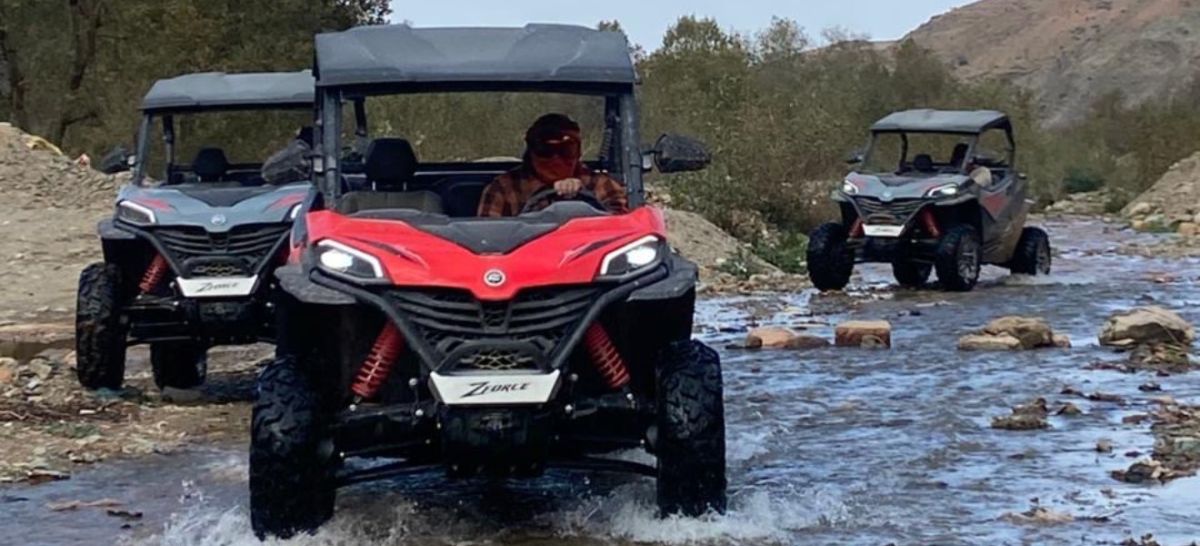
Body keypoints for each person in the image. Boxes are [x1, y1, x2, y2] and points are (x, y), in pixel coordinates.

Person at [477, 114, 628, 217]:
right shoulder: (503, 188)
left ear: (579, 152)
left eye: (566, 150)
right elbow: (486, 238)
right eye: (546, 151)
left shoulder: (602, 185)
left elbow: (625, 231)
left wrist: (583, 199)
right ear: (531, 153)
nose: (556, 160)